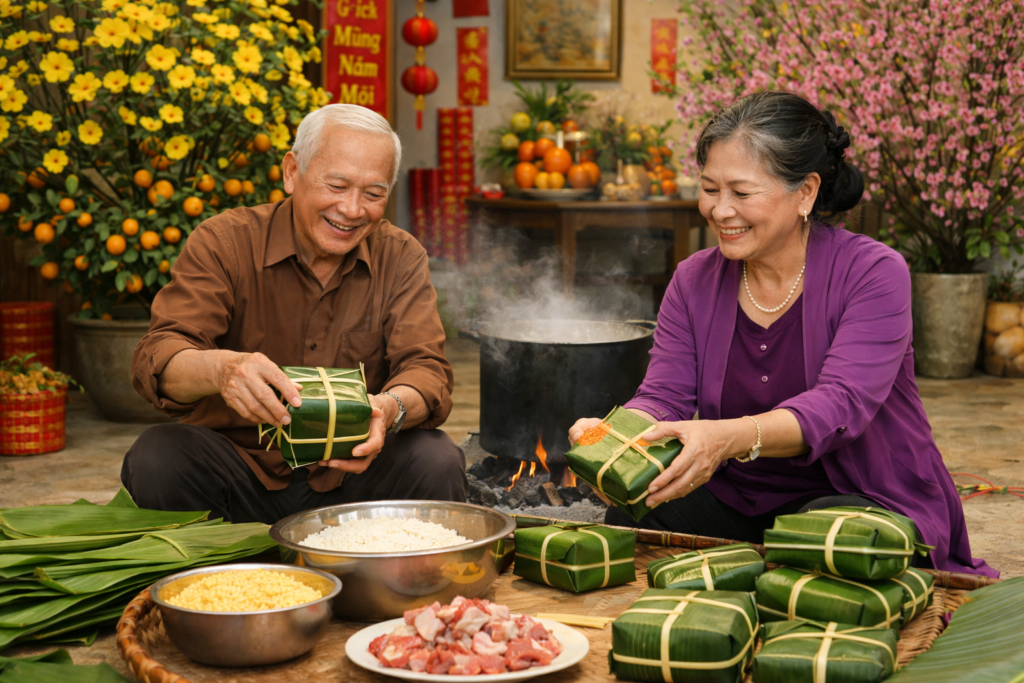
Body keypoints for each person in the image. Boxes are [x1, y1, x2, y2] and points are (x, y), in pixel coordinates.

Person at [569, 91, 995, 576]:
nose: (720, 210)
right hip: (740, 496)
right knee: (629, 511)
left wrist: (726, 438)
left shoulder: (873, 272)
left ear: (805, 193)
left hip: (856, 494)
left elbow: (840, 405)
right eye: (710, 189)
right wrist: (615, 437)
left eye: (742, 193)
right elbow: (663, 395)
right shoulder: (693, 279)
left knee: (832, 542)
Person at [123, 104, 466, 524]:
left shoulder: (400, 256)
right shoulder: (224, 242)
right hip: (239, 473)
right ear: (291, 172)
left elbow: (426, 370)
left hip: (352, 476)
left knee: (435, 457)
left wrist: (389, 409)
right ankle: (217, 581)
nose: (353, 209)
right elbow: (159, 356)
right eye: (337, 185)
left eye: (373, 194)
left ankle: (402, 585)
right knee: (158, 455)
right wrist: (222, 370)